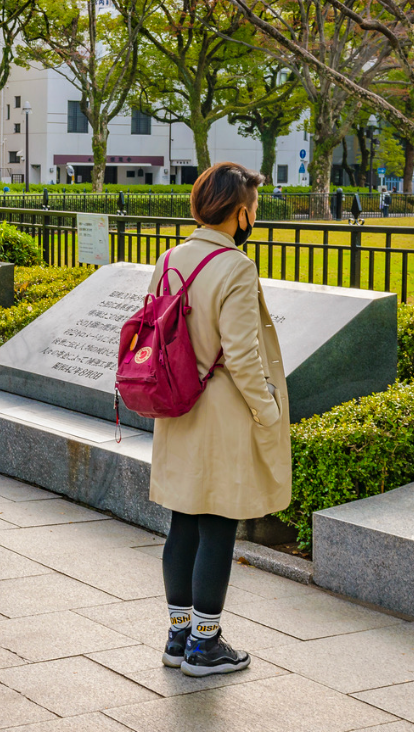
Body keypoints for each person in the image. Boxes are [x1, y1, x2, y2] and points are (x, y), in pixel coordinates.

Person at [149, 161, 291, 677]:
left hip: (176, 406)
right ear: (238, 212)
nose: (255, 213)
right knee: (219, 524)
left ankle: (178, 636)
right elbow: (242, 354)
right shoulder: (235, 267)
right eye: (253, 205)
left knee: (182, 522)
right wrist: (268, 409)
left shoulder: (170, 258)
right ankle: (206, 647)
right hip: (222, 413)